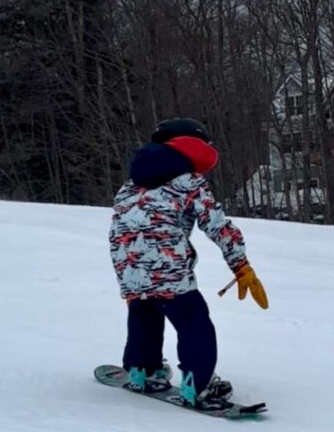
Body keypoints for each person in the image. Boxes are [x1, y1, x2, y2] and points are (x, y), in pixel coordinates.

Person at [109, 117, 269, 408]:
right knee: (192, 319)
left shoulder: (131, 184)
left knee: (145, 308)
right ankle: (200, 384)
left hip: (127, 263)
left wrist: (133, 273)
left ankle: (142, 371)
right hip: (167, 264)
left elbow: (122, 225)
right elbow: (218, 225)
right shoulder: (190, 181)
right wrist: (241, 266)